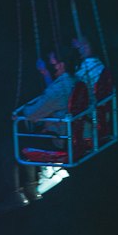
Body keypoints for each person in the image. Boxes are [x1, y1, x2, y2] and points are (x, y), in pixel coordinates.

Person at [12, 51, 76, 205]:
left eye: (53, 64)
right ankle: (31, 188)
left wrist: (21, 114)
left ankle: (23, 193)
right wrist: (45, 74)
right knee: (32, 135)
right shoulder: (72, 82)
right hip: (65, 135)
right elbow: (54, 97)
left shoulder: (59, 89)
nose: (51, 66)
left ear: (61, 65)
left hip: (57, 139)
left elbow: (35, 112)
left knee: (14, 146)